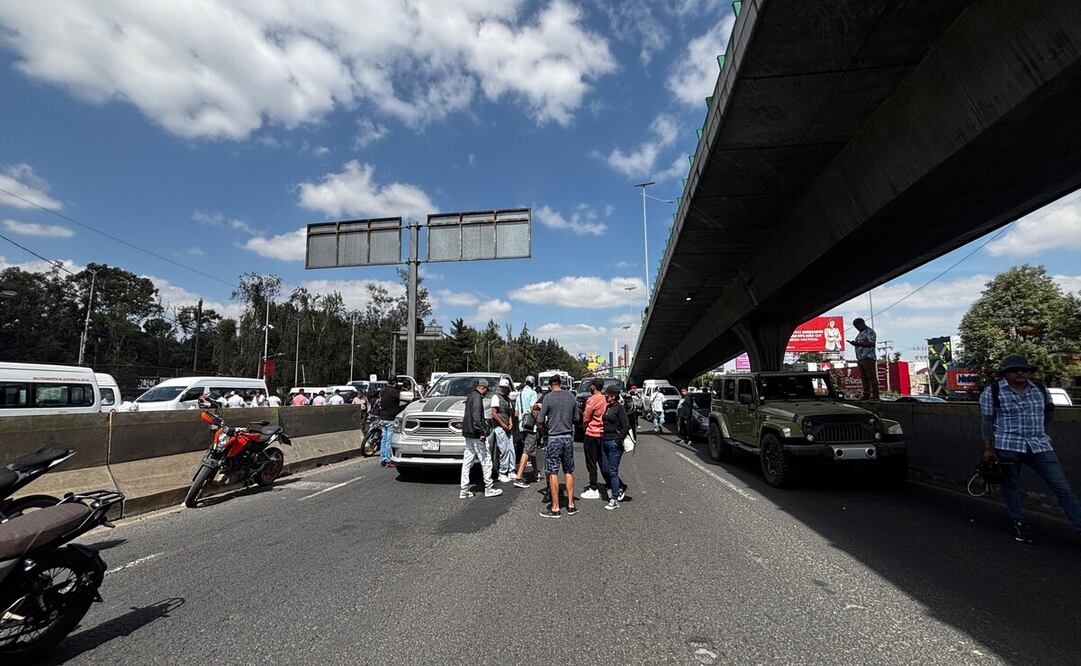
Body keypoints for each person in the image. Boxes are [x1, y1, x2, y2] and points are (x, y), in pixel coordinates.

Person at [980, 354, 1081, 543]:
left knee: (1062, 488)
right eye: (1014, 370)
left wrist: (1041, 431)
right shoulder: (992, 392)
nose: (1020, 373)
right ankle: (1019, 522)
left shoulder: (1040, 390)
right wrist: (988, 448)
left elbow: (1049, 412)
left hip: (1040, 445)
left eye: (1024, 370)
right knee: (1010, 485)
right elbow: (987, 422)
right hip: (1007, 445)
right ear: (1005, 374)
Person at [537, 375, 578, 518]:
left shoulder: (548, 398)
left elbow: (540, 419)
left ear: (549, 386)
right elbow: (576, 418)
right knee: (568, 470)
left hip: (554, 438)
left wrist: (547, 427)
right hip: (568, 437)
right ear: (561, 384)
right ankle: (571, 505)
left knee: (553, 472)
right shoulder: (571, 397)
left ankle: (555, 508)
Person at [460, 379, 503, 499]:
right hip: (476, 434)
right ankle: (489, 488)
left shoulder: (470, 396)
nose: (485, 393)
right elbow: (476, 417)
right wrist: (482, 432)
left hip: (468, 433)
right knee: (486, 460)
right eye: (486, 390)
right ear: (482, 388)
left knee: (467, 461)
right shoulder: (478, 398)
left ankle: (463, 489)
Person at [601, 384, 631, 511]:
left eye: (606, 395)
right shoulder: (608, 407)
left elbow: (626, 426)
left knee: (612, 471)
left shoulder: (619, 408)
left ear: (613, 396)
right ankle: (620, 486)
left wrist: (618, 440)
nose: (605, 397)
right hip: (605, 441)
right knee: (605, 468)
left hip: (614, 443)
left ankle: (614, 498)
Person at [512, 376, 540, 489]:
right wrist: (539, 421)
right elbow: (533, 409)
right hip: (530, 425)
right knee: (527, 450)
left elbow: (516, 413)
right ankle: (518, 478)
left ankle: (536, 473)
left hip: (522, 425)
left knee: (531, 449)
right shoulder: (533, 393)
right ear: (533, 383)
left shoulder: (519, 394)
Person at [581, 378, 606, 499]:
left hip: (591, 433)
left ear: (593, 387)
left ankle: (593, 487)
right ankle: (611, 485)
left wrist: (585, 427)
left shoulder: (592, 400)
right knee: (603, 461)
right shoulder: (605, 399)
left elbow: (586, 418)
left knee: (591, 462)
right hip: (603, 434)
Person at [490, 377, 516, 482]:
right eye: (503, 387)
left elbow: (510, 413)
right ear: (500, 387)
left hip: (507, 427)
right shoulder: (496, 397)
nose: (504, 389)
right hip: (499, 427)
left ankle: (511, 470)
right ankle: (502, 472)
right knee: (503, 450)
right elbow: (494, 413)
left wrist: (510, 424)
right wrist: (503, 425)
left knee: (511, 450)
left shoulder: (507, 399)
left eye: (506, 388)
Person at [851, 318, 879, 400]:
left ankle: (875, 395)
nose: (857, 328)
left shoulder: (869, 332)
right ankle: (866, 394)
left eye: (857, 326)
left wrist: (858, 343)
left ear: (862, 323)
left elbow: (871, 343)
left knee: (871, 377)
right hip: (860, 358)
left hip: (868, 357)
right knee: (864, 378)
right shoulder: (860, 334)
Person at [377, 379, 403, 468]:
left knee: (383, 439)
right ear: (395, 383)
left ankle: (383, 459)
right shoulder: (395, 392)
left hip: (383, 417)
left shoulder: (383, 391)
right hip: (391, 418)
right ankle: (388, 460)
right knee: (389, 440)